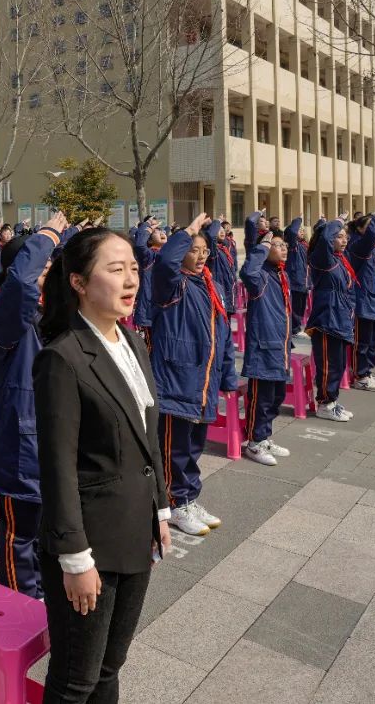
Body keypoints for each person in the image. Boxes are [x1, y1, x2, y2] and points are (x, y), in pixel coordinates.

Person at [33, 226, 171, 703]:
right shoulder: (62, 358)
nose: (130, 279)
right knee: (76, 678)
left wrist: (162, 508)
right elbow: (57, 467)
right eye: (115, 270)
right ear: (79, 282)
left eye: (133, 268)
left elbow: (146, 431)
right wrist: (74, 558)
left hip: (135, 528)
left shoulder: (130, 341)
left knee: (111, 665)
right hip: (89, 545)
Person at [0, 213, 66, 600]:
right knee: (20, 533)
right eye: (42, 265)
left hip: (54, 438)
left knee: (50, 527)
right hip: (21, 444)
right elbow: (19, 285)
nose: (47, 271)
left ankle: (45, 592)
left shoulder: (53, 315)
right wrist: (45, 235)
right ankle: (18, 601)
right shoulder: (4, 314)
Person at [151, 213, 237, 536]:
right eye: (192, 249)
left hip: (203, 384)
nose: (199, 256)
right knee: (175, 448)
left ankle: (189, 498)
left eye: (203, 251)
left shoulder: (211, 288)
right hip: (177, 382)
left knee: (194, 446)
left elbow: (223, 336)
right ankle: (174, 504)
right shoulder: (174, 285)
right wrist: (187, 232)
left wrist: (227, 379)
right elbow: (163, 264)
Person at [239, 212, 292, 466]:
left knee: (276, 397)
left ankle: (265, 436)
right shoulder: (260, 277)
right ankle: (254, 442)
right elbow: (247, 271)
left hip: (280, 347)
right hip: (264, 348)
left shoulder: (280, 274)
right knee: (261, 400)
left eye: (284, 245)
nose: (283, 249)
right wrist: (262, 247)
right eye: (277, 245)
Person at [308, 213, 358, 420]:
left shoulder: (340, 260)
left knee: (338, 364)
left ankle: (333, 401)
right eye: (339, 236)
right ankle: (324, 404)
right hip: (327, 320)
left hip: (341, 319)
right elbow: (326, 238)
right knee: (328, 365)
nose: (344, 240)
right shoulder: (323, 259)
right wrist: (336, 221)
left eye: (345, 236)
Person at [348, 210, 375, 386]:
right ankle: (360, 375)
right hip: (363, 302)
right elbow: (373, 234)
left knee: (372, 341)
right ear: (359, 229)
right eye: (370, 225)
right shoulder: (359, 245)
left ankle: (368, 372)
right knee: (362, 342)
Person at [131, 217, 166, 350]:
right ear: (150, 240)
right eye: (157, 232)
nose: (162, 233)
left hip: (165, 309)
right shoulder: (149, 256)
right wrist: (148, 226)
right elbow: (140, 244)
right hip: (150, 310)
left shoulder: (170, 256)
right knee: (151, 348)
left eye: (163, 231)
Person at [284, 217, 311, 338]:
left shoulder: (305, 245)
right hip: (295, 280)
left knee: (301, 306)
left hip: (304, 281)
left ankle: (297, 327)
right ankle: (295, 329)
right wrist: (299, 219)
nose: (301, 231)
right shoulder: (293, 245)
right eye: (299, 229)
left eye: (302, 229)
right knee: (295, 306)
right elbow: (292, 232)